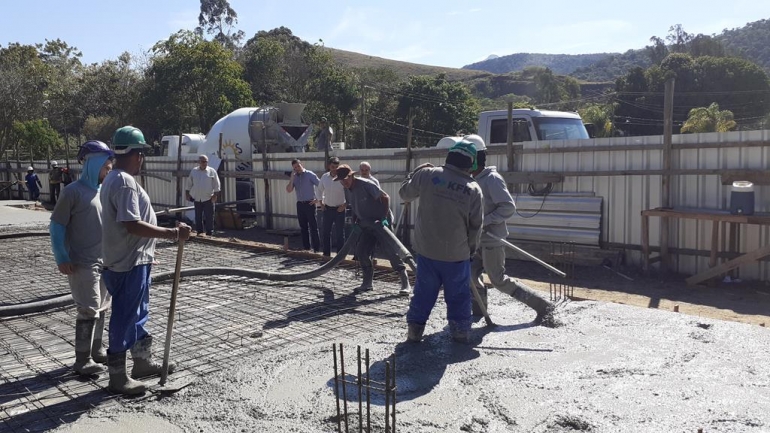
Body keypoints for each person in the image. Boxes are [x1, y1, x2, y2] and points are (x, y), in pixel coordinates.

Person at [100, 126, 192, 395]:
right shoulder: (125, 182)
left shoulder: (111, 179)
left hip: (132, 259)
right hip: (129, 263)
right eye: (142, 154)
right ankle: (118, 377)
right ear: (137, 154)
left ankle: (141, 363)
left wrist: (148, 246)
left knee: (138, 313)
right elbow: (131, 224)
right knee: (125, 316)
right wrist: (173, 233)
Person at [399, 140, 483, 344]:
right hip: (456, 254)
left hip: (427, 252)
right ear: (470, 165)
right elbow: (475, 227)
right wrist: (470, 251)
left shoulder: (427, 175)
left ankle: (414, 332)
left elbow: (404, 194)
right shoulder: (473, 189)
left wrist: (414, 173)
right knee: (458, 295)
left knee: (423, 293)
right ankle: (460, 332)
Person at [466, 134, 554, 320]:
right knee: (470, 275)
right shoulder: (469, 180)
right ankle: (479, 310)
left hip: (492, 239)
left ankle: (543, 306)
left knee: (499, 281)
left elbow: (508, 207)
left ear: (476, 158)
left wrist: (485, 221)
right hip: (475, 241)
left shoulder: (491, 179)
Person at [49, 141, 115, 376]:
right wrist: (62, 256)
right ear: (94, 163)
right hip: (81, 262)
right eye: (106, 167)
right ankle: (82, 359)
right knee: (88, 309)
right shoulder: (72, 192)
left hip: (104, 261)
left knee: (102, 307)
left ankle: (96, 350)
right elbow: (57, 226)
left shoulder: (101, 191)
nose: (108, 171)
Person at [335, 164, 411, 295]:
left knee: (391, 252)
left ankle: (405, 283)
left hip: (379, 223)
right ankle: (367, 283)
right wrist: (355, 221)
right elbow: (353, 205)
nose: (344, 182)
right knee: (362, 252)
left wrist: (383, 218)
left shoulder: (365, 184)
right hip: (365, 224)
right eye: (341, 180)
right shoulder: (346, 189)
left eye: (346, 179)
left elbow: (385, 197)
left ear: (352, 176)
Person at [285, 158, 320, 252]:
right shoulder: (294, 177)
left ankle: (316, 249)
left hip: (310, 203)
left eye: (298, 166)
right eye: (295, 167)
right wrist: (292, 178)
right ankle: (306, 248)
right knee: (303, 227)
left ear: (302, 164)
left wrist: (319, 199)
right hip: (300, 204)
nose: (297, 168)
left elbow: (321, 185)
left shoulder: (310, 174)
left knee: (313, 227)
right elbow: (289, 190)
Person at [316, 156, 346, 257]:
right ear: (329, 166)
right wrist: (321, 202)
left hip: (339, 209)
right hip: (327, 208)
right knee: (326, 232)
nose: (335, 169)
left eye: (337, 167)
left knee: (339, 234)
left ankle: (340, 256)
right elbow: (319, 190)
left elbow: (350, 193)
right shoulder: (324, 177)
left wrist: (345, 205)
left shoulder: (343, 178)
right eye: (333, 167)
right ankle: (326, 254)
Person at [185, 154, 221, 237]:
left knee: (209, 216)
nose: (205, 163)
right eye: (203, 161)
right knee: (198, 216)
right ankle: (199, 231)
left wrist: (215, 195)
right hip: (197, 198)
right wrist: (187, 193)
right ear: (199, 162)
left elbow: (217, 184)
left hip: (208, 197)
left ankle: (209, 232)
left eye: (206, 162)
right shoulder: (194, 171)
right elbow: (189, 183)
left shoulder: (212, 171)